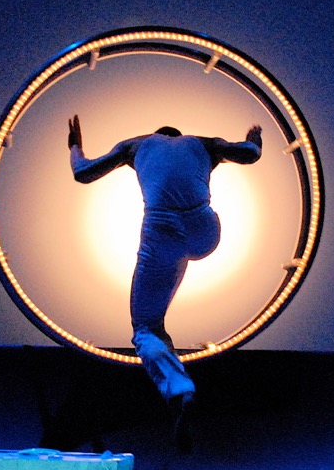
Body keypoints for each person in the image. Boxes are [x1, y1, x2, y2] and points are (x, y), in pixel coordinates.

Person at [68, 115, 262, 452]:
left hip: (162, 231)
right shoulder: (203, 143)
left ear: (156, 134)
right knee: (176, 266)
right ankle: (176, 391)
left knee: (146, 326)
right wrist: (254, 138)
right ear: (178, 135)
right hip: (205, 230)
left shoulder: (135, 145)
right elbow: (249, 154)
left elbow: (82, 173)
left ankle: (179, 389)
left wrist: (74, 145)